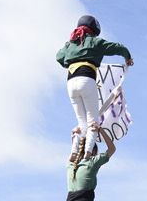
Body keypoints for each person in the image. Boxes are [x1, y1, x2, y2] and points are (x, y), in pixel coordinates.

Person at [56, 14, 132, 157]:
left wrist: (70, 60)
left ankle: (74, 152)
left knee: (81, 122)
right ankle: (88, 152)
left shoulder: (70, 44)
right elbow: (118, 48)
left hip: (71, 82)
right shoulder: (95, 42)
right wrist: (127, 57)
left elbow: (59, 57)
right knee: (93, 120)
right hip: (86, 78)